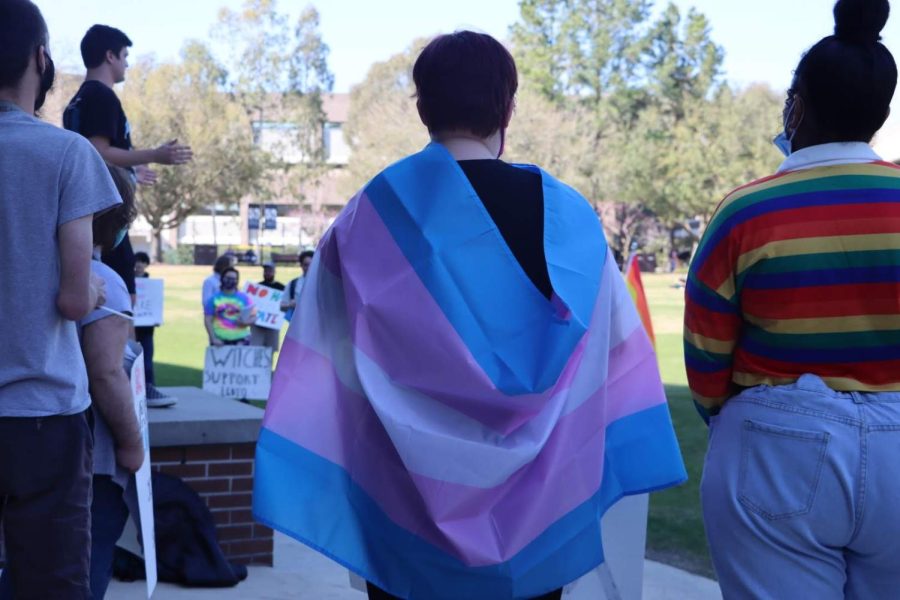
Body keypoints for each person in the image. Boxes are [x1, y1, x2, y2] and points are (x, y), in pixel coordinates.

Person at [255, 31, 686, 600]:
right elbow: (613, 353)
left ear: (422, 107)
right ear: (507, 107)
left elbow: (328, 349)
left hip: (403, 506)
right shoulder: (572, 220)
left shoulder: (372, 214)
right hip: (539, 511)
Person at [684, 1, 900, 597]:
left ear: (797, 106)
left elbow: (706, 364)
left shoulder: (745, 209)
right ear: (880, 113)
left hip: (777, 448)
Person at [0, 2, 121, 596]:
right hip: (42, 418)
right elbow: (76, 300)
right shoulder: (65, 153)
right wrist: (97, 285)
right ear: (40, 59)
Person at [63, 24, 192, 301]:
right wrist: (155, 155)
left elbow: (97, 153)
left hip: (90, 217)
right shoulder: (102, 96)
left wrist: (132, 168)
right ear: (110, 56)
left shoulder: (79, 99)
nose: (127, 64)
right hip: (106, 217)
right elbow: (99, 152)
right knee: (123, 300)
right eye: (124, 56)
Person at [80, 164, 145, 599]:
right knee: (84, 566)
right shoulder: (106, 284)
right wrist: (131, 442)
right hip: (94, 454)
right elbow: (105, 372)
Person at [204, 267, 256, 346]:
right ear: (222, 279)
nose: (230, 281)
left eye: (233, 279)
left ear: (237, 281)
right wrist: (213, 338)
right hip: (220, 341)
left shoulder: (245, 299)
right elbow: (208, 319)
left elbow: (254, 317)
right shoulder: (213, 299)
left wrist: (245, 322)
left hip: (241, 340)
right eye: (228, 278)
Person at [250, 263, 284, 351]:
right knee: (256, 349)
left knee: (270, 350)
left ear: (274, 272)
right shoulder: (258, 286)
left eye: (269, 271)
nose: (267, 273)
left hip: (272, 324)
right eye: (265, 271)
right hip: (257, 324)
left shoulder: (281, 287)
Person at [280, 249, 313, 321]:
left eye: (311, 264)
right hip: (298, 325)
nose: (309, 268)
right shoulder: (293, 284)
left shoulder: (322, 284)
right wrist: (290, 305)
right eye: (305, 265)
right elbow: (281, 306)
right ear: (301, 265)